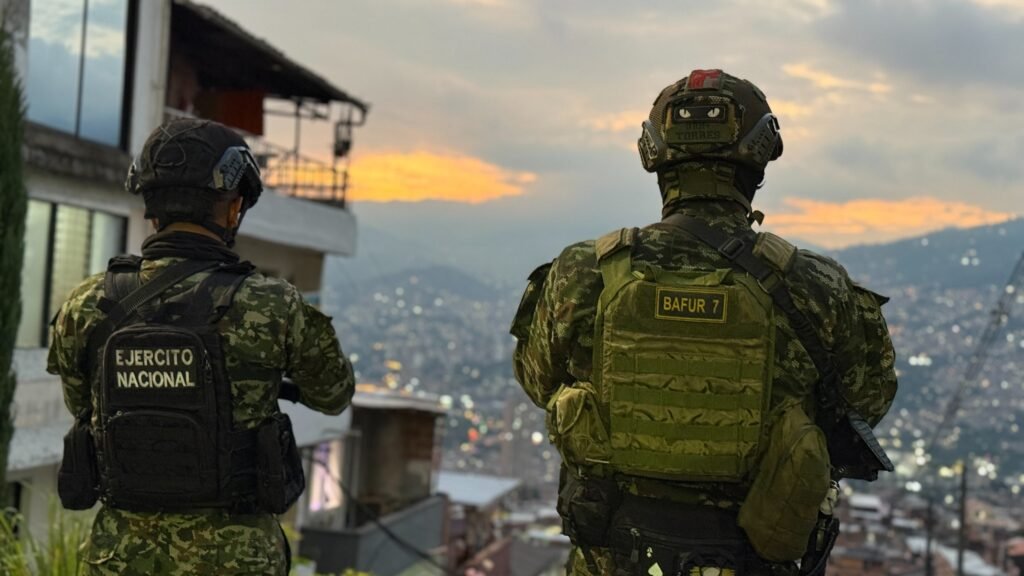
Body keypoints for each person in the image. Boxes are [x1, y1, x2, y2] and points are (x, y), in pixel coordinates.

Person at [511, 69, 898, 576]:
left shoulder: (585, 272)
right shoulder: (817, 285)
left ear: (653, 154)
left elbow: (539, 381)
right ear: (761, 156)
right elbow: (866, 403)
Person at [48, 118, 355, 575]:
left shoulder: (86, 304)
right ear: (233, 209)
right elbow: (334, 395)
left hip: (121, 558)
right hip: (237, 560)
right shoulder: (273, 304)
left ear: (152, 209)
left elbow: (83, 407)